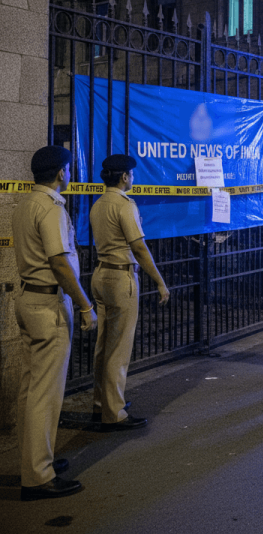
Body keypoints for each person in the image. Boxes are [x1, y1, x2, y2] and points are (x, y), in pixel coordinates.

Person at [12, 146, 97, 501]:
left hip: (28, 299)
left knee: (31, 389)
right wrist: (84, 305)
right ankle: (38, 477)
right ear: (61, 172)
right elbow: (60, 262)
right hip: (48, 303)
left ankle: (33, 461)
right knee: (45, 394)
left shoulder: (26, 203)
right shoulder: (50, 208)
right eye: (69, 168)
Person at [90, 154, 170, 431]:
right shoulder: (125, 206)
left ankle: (101, 402)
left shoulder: (98, 204)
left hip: (100, 273)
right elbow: (138, 247)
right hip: (121, 276)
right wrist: (159, 281)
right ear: (125, 177)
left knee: (103, 344)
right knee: (119, 347)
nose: (133, 179)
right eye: (132, 175)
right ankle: (114, 412)